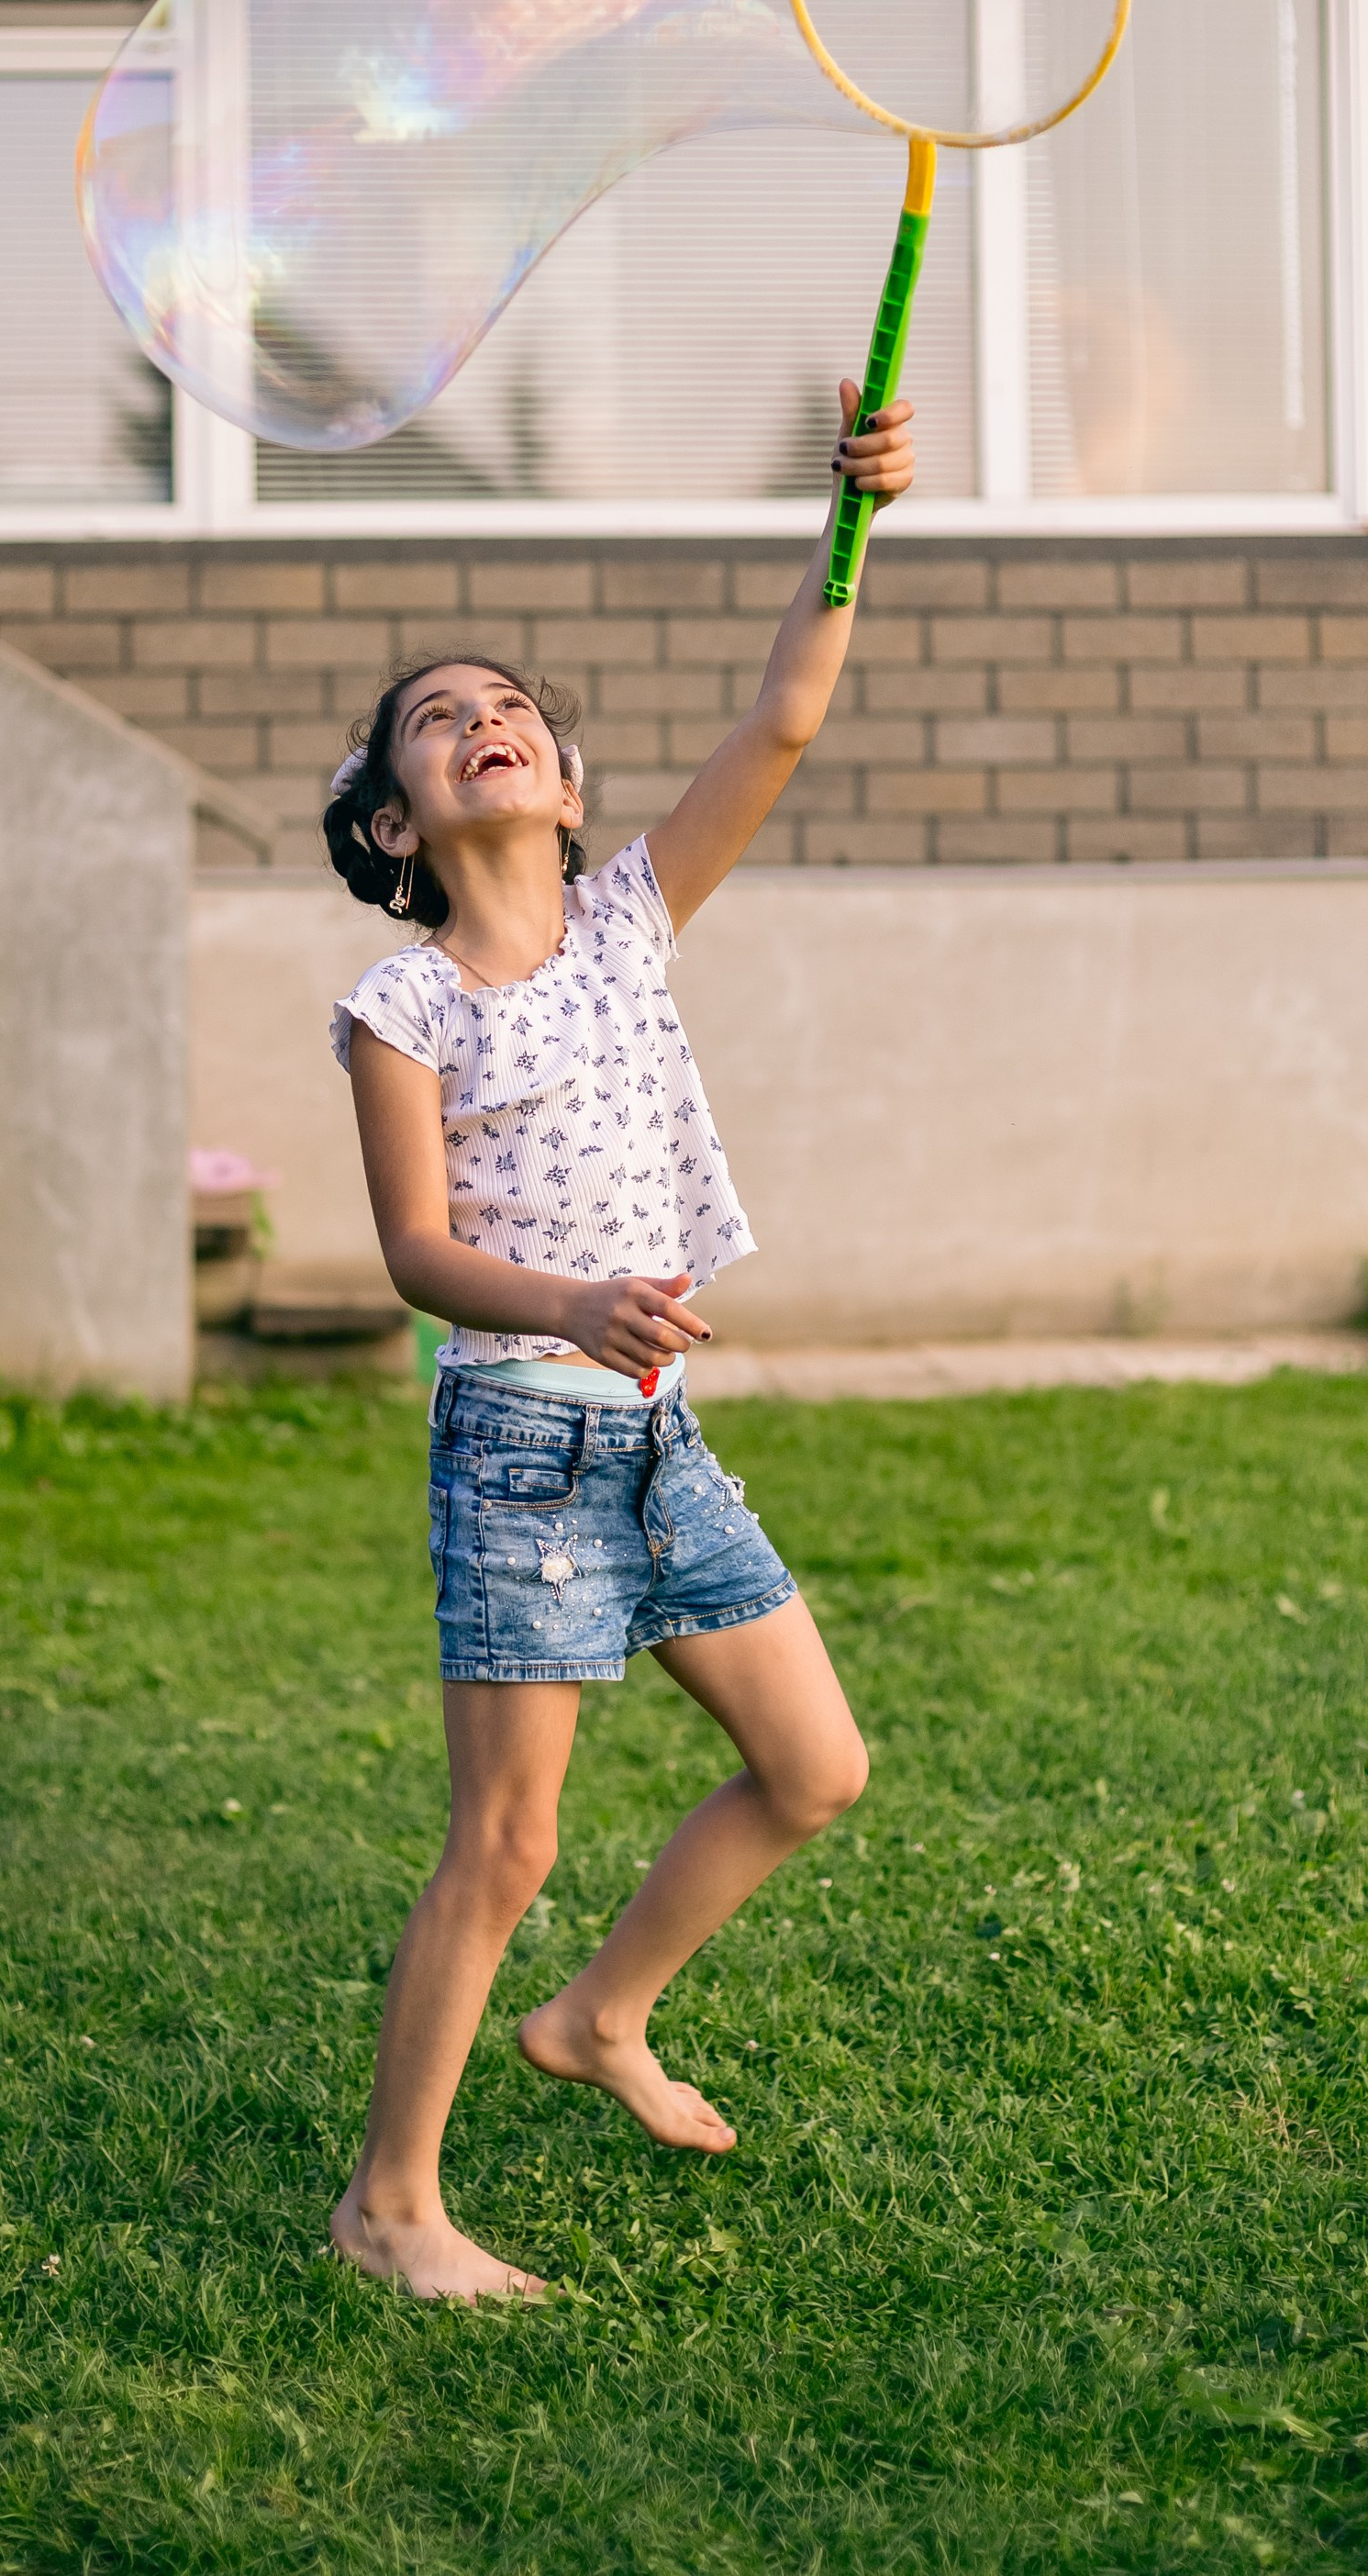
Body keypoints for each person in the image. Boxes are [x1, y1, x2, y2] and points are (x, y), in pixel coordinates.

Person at [323, 381, 915, 2300]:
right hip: (520, 1433)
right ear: (402, 820)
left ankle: (593, 2018)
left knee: (815, 1767)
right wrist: (573, 1301)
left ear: (565, 782)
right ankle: (390, 2203)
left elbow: (788, 713)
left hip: (655, 1438)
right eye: (438, 717)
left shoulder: (632, 921)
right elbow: (417, 1250)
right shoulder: (404, 999)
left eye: (511, 706)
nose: (483, 717)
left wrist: (850, 519)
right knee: (503, 1837)